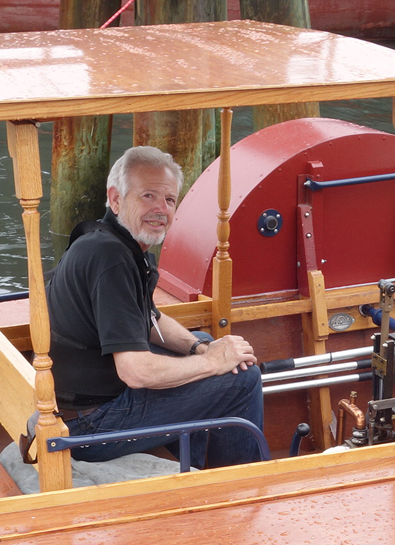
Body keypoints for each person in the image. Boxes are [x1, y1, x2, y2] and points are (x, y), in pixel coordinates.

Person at [44, 145, 266, 468]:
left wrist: (198, 349)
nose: (161, 209)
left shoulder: (110, 243)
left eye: (170, 200)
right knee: (242, 381)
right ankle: (236, 494)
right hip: (89, 426)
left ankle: (195, 470)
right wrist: (212, 364)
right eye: (148, 196)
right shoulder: (111, 259)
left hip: (83, 405)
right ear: (116, 199)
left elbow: (150, 321)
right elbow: (134, 369)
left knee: (203, 344)